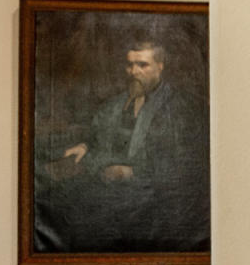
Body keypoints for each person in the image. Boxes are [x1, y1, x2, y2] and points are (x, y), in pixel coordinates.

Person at [36, 34, 207, 252]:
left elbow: (184, 168)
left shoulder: (181, 108)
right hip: (108, 184)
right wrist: (86, 146)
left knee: (76, 217)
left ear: (160, 67)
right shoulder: (116, 103)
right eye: (130, 65)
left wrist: (131, 173)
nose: (134, 72)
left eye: (142, 65)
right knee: (48, 201)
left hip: (149, 197)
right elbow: (98, 135)